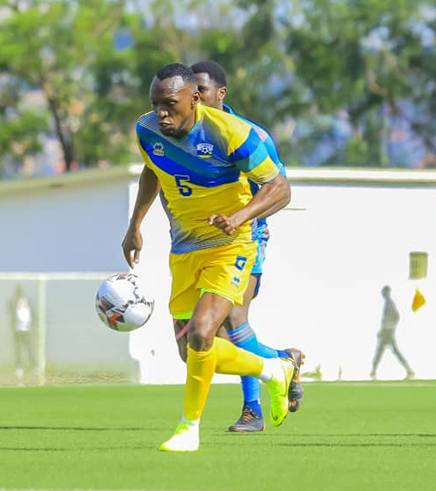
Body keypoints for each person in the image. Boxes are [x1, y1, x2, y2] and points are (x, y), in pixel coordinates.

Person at [123, 63, 296, 452]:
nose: (161, 113)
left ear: (195, 99)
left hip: (231, 244)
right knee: (191, 352)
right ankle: (275, 368)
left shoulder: (234, 134)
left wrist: (238, 217)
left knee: (206, 330)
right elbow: (152, 169)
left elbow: (281, 189)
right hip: (184, 248)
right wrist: (134, 225)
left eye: (169, 104)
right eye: (155, 104)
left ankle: (190, 428)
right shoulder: (147, 129)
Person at [190, 60, 303, 433]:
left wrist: (246, 221)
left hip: (247, 236)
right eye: (191, 92)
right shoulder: (186, 133)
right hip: (204, 242)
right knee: (221, 331)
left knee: (232, 322)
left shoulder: (248, 134)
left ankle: (253, 409)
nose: (195, 98)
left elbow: (279, 186)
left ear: (220, 93)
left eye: (201, 91)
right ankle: (284, 361)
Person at [370, 285, 415, 380]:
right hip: (387, 331)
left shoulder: (389, 303)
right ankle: (409, 370)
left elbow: (395, 316)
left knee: (381, 352)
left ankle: (373, 372)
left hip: (388, 332)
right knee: (389, 352)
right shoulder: (388, 303)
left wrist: (388, 328)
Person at [9, 285, 34, 383]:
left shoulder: (27, 300)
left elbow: (31, 312)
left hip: (26, 329)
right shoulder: (13, 301)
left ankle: (33, 367)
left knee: (29, 348)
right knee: (18, 349)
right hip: (18, 329)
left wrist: (32, 323)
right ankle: (19, 368)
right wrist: (13, 324)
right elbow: (11, 313)